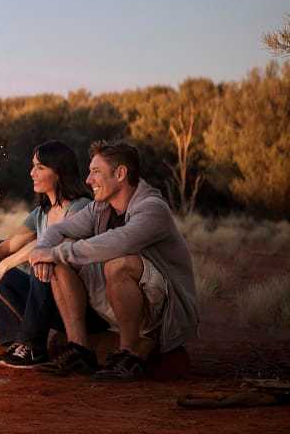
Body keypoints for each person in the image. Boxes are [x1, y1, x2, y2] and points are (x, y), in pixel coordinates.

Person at [30, 140, 199, 381]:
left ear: (120, 173)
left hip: (163, 309)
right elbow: (58, 230)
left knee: (117, 262)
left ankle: (129, 354)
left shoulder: (152, 208)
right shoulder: (100, 208)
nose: (88, 180)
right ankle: (80, 349)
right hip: (118, 299)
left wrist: (53, 253)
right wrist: (44, 252)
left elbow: (117, 243)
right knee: (60, 257)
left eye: (96, 172)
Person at [0, 140, 93, 368]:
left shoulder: (81, 207)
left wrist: (5, 266)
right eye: (33, 166)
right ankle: (15, 341)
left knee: (43, 262)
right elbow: (6, 247)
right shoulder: (41, 213)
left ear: (59, 172)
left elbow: (50, 246)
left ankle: (32, 346)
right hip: (48, 303)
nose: (32, 173)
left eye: (40, 167)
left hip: (76, 304)